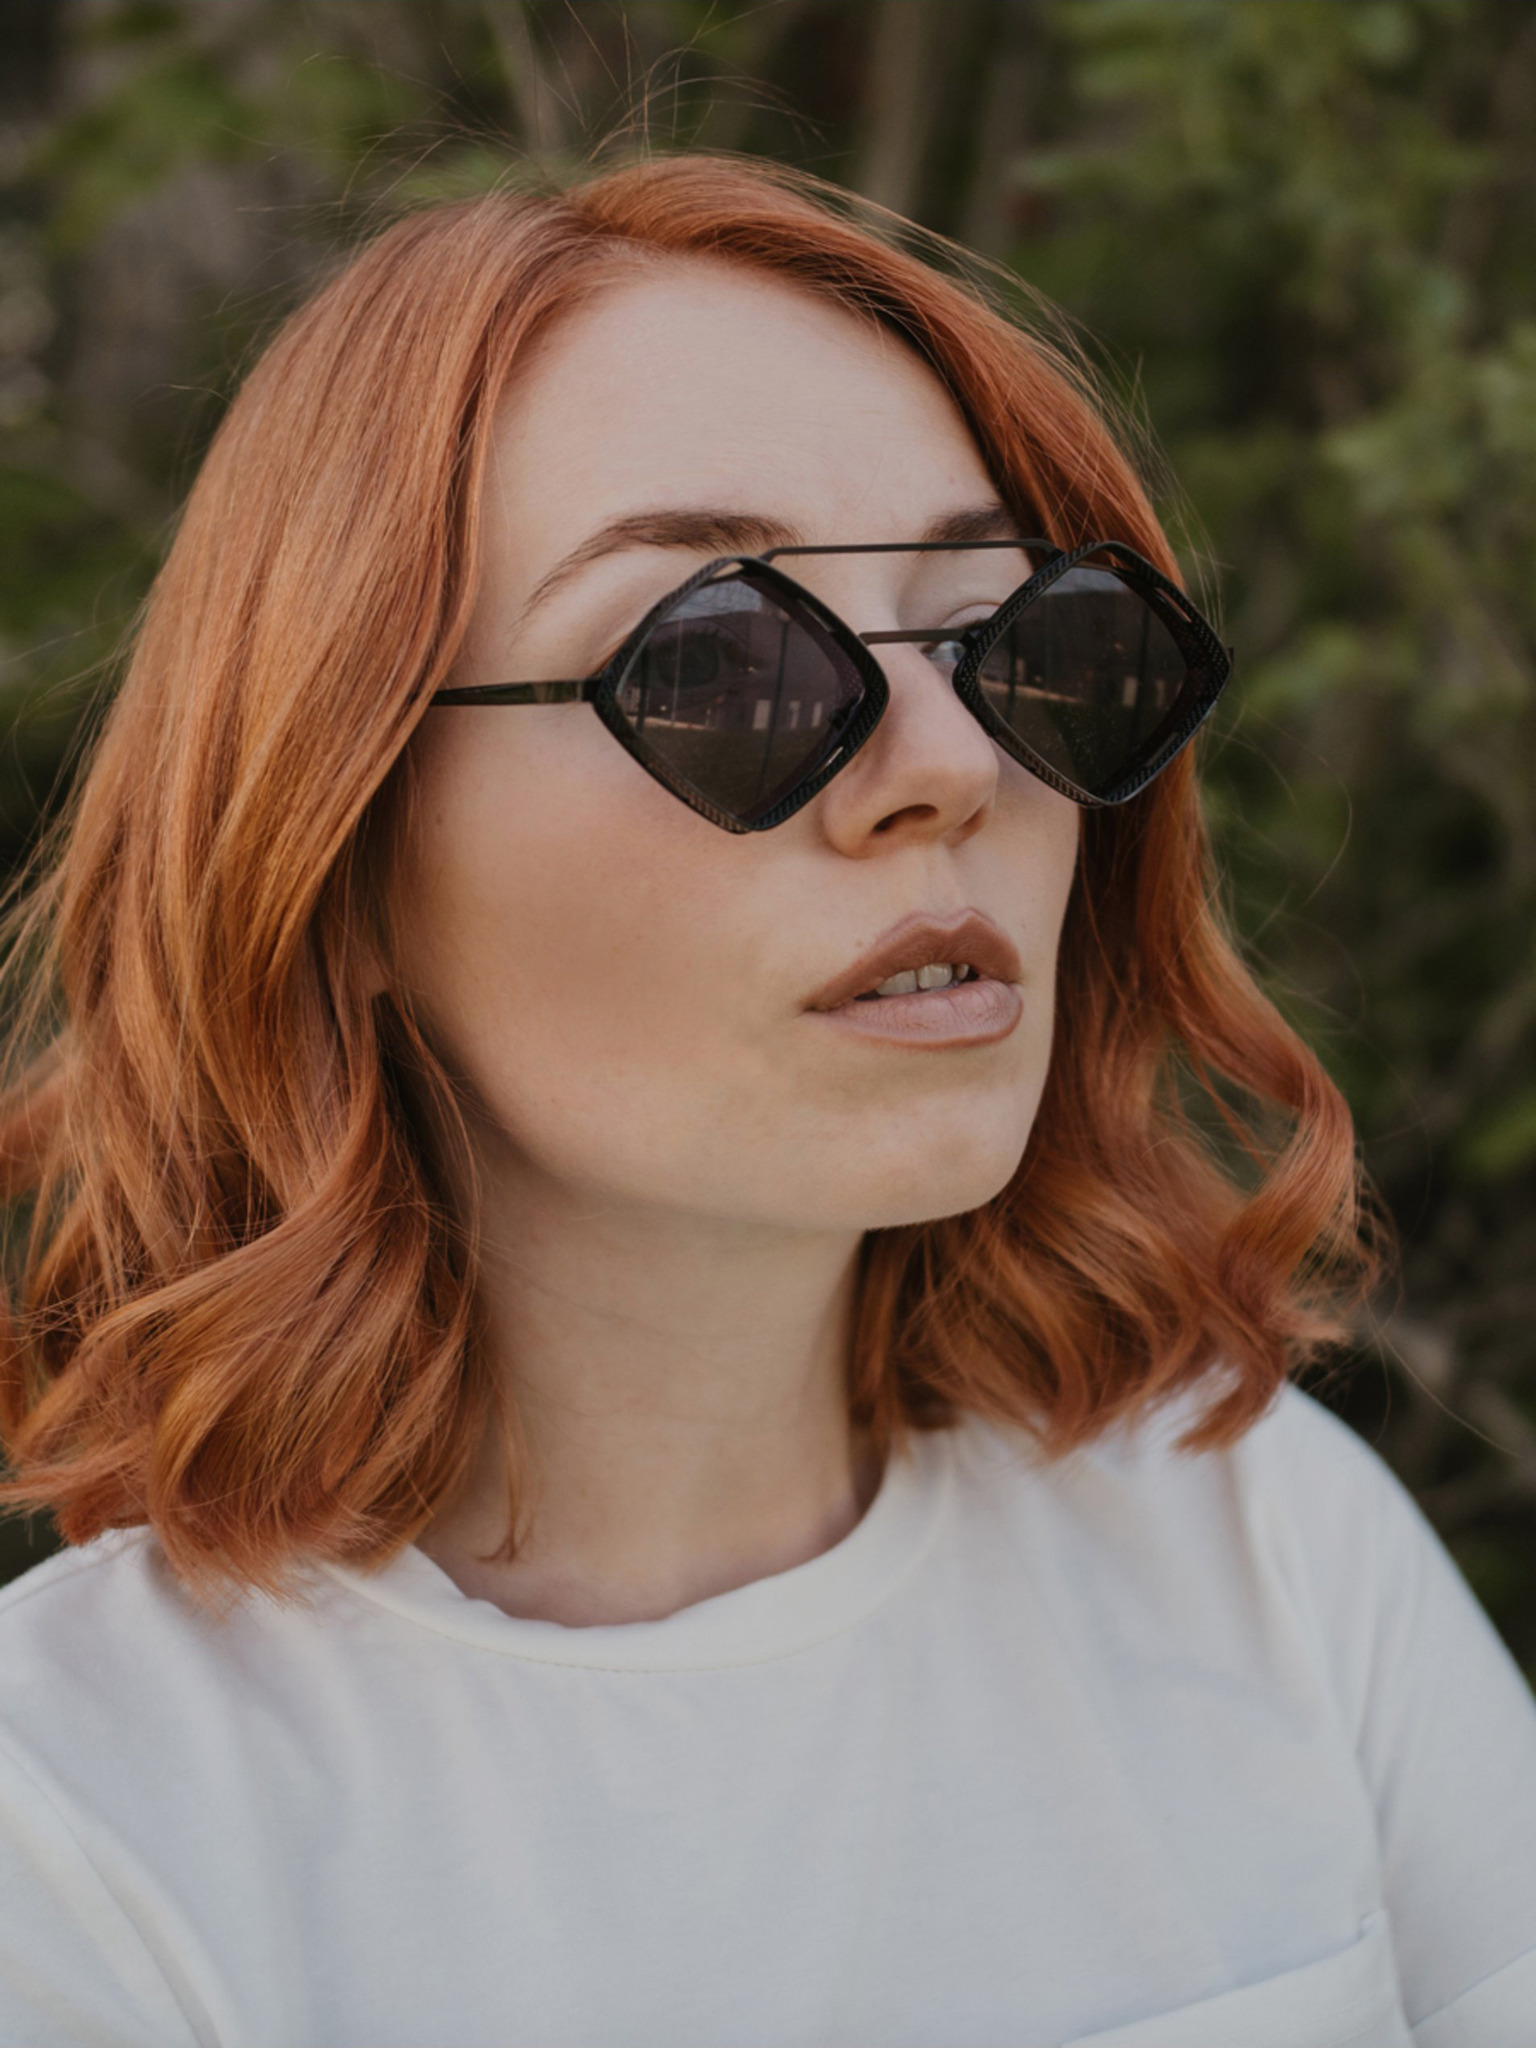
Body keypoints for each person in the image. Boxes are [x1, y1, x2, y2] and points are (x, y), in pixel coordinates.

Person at [0, 149, 1530, 2048]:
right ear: (340, 852)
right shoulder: (75, 1837)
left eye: (1003, 636)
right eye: (717, 664)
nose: (951, 763)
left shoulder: (1266, 1552)